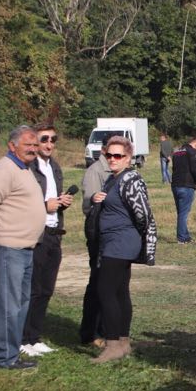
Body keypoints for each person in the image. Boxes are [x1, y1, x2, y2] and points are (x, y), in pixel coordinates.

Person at [0, 125, 46, 370]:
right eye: (28, 145)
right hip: (8, 249)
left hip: (24, 248)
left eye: (35, 145)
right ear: (12, 146)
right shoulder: (5, 169)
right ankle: (4, 358)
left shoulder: (23, 168)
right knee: (9, 306)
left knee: (20, 304)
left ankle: (12, 353)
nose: (33, 149)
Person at [90, 136, 156, 363]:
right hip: (113, 242)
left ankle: (113, 344)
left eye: (118, 155)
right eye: (109, 155)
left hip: (121, 243)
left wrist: (131, 234)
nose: (112, 159)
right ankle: (123, 342)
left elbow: (143, 214)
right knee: (119, 292)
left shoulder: (131, 179)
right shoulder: (113, 179)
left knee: (106, 291)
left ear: (128, 158)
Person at [21, 123, 74, 357]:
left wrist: (62, 202)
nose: (49, 144)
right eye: (44, 139)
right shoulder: (28, 168)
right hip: (36, 234)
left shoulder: (55, 167)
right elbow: (20, 203)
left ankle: (34, 338)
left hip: (54, 233)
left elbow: (53, 200)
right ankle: (22, 339)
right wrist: (45, 206)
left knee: (46, 290)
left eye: (53, 139)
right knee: (32, 290)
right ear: (35, 141)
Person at [79, 149, 111, 348]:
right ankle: (91, 333)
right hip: (98, 232)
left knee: (109, 284)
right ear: (105, 150)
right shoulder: (95, 171)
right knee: (98, 282)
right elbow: (88, 207)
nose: (115, 157)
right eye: (112, 153)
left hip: (112, 235)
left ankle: (106, 330)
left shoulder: (117, 171)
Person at [171, 137, 196, 244]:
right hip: (186, 185)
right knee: (183, 213)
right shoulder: (192, 152)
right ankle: (181, 238)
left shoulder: (177, 151)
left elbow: (174, 168)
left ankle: (185, 236)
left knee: (181, 212)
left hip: (175, 184)